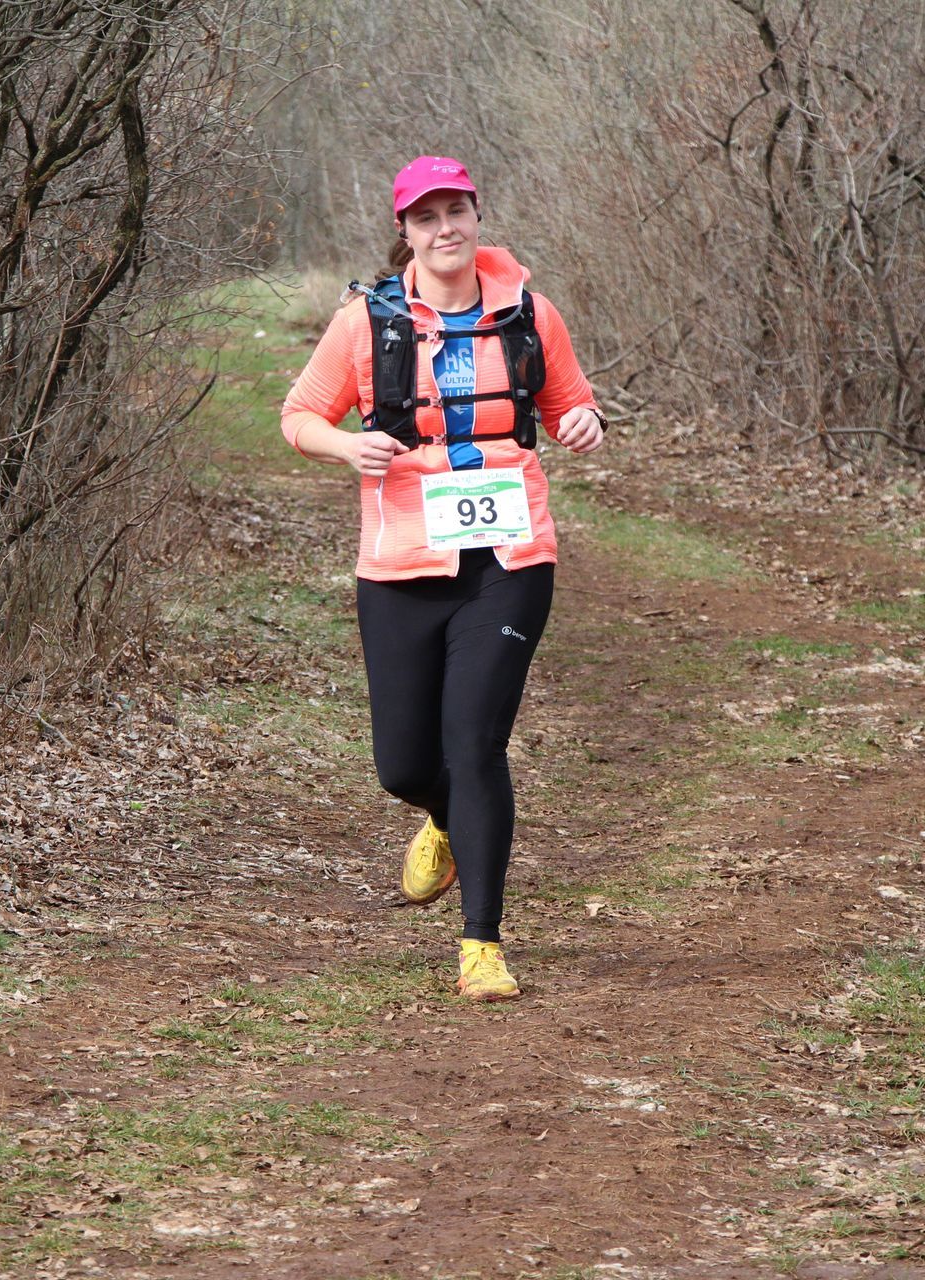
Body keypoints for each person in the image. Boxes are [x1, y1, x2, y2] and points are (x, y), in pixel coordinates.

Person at [280, 155, 606, 1001]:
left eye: (456, 210)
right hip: (400, 563)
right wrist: (347, 444)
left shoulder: (530, 312)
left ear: (476, 215)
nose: (445, 228)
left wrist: (583, 423)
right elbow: (299, 417)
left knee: (474, 744)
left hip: (509, 560)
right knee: (403, 764)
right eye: (426, 218)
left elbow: (572, 404)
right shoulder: (367, 321)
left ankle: (481, 946)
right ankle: (442, 820)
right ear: (405, 232)